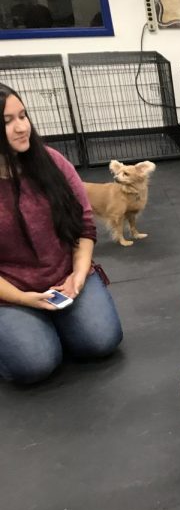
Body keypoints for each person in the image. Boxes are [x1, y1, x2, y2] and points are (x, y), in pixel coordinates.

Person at [0, 84, 122, 385]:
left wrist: (79, 274)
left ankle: (48, 325)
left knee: (101, 342)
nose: (21, 127)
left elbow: (84, 224)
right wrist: (24, 299)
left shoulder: (52, 162)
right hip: (11, 292)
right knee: (35, 365)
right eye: (7, 121)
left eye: (23, 115)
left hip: (66, 278)